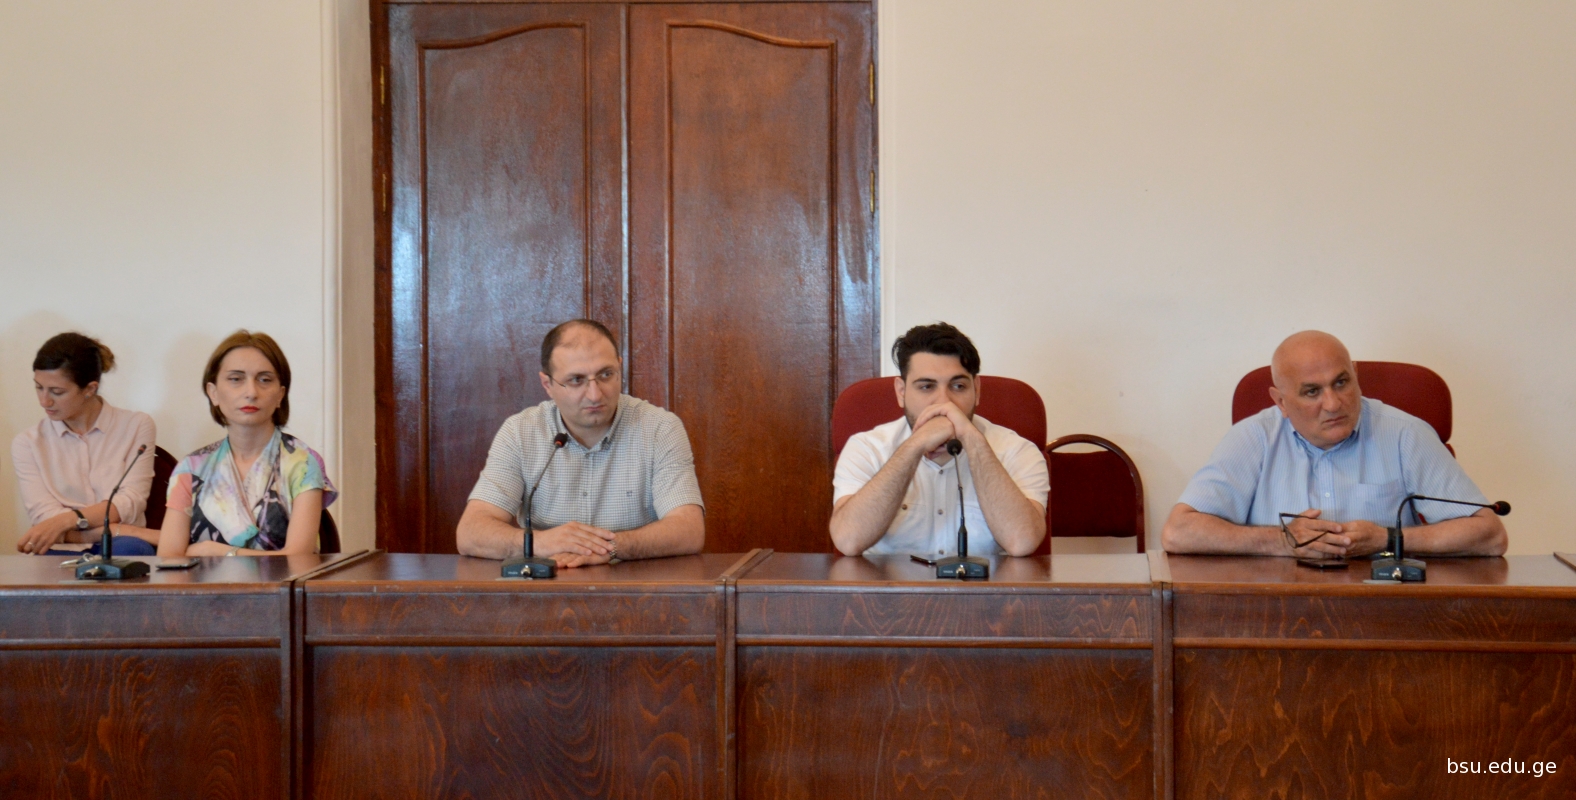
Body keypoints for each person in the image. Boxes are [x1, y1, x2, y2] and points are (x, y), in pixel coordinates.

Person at [1162, 330, 1507, 558]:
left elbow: (1490, 535)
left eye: (1341, 383)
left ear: (1355, 374)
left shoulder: (1405, 434)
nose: (1333, 404)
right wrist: (1281, 541)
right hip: (1277, 611)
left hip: (1385, 610)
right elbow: (1179, 532)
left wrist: (1387, 539)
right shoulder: (1253, 438)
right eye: (1312, 391)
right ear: (1281, 402)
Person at [457, 319, 704, 567]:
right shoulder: (520, 432)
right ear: (548, 384)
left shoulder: (660, 428)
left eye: (606, 374)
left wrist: (612, 547)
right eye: (576, 380)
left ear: (620, 369)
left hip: (635, 582)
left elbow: (689, 529)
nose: (595, 394)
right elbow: (470, 532)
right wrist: (541, 543)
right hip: (550, 581)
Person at [830, 323, 1048, 558]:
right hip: (891, 583)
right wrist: (914, 445)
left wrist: (971, 439)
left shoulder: (1017, 451)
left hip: (987, 583)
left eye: (958, 386)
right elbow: (848, 541)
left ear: (976, 390)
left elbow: (1022, 542)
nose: (944, 402)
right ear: (901, 392)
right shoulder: (867, 448)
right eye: (926, 386)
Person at [156, 331, 336, 557]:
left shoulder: (303, 463)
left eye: (264, 380)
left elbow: (297, 557)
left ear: (280, 395)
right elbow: (169, 558)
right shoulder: (191, 468)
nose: (251, 392)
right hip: (202, 582)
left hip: (284, 581)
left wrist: (216, 551)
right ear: (213, 393)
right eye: (236, 379)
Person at [12, 333, 158, 555]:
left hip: (122, 546)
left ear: (90, 389)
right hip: (62, 548)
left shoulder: (137, 425)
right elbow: (44, 519)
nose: (44, 401)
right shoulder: (27, 443)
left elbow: (130, 502)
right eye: (39, 388)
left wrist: (68, 521)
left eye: (57, 392)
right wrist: (116, 530)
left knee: (131, 549)